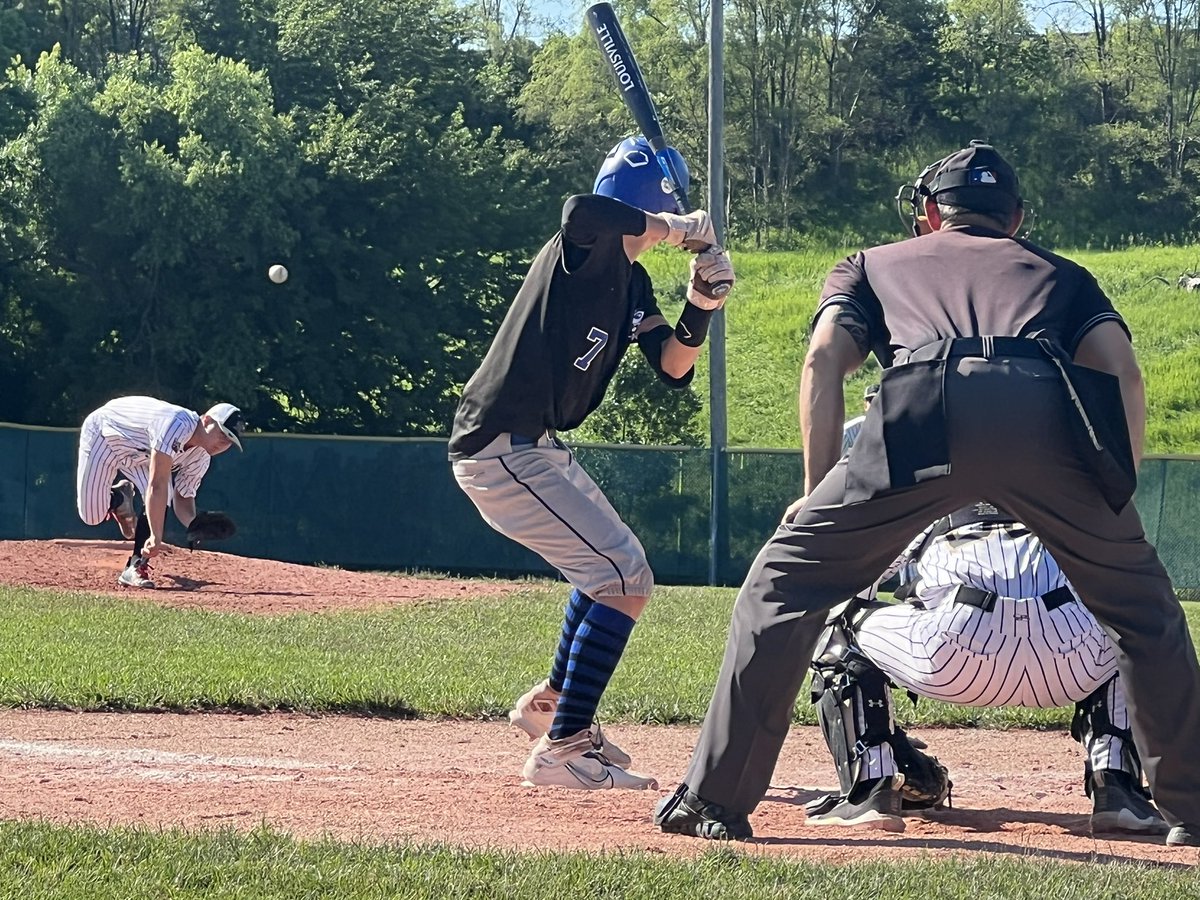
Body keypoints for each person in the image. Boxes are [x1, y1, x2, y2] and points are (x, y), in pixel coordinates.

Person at [654, 140, 1200, 846]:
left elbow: (824, 359)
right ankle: (1189, 809)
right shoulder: (1064, 276)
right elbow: (1122, 371)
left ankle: (715, 801)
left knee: (784, 586)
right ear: (1017, 218)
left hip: (922, 406)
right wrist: (1113, 489)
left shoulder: (869, 264)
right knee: (1143, 610)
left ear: (933, 215)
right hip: (1044, 409)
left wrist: (816, 488)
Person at [449, 135, 735, 791]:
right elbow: (583, 211)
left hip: (530, 444)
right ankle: (563, 749)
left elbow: (673, 365)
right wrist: (679, 227)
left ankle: (552, 705)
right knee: (624, 573)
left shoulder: (630, 281)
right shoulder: (581, 251)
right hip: (502, 444)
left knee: (606, 568)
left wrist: (703, 304)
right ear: (652, 207)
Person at [803, 499, 1166, 835]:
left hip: (956, 653)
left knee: (840, 628)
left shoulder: (931, 497)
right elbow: (1129, 585)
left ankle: (872, 787)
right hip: (1069, 657)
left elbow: (856, 582)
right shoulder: (1064, 493)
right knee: (1126, 632)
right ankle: (1118, 788)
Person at [76, 396, 244, 588]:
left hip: (142, 456)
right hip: (105, 437)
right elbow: (157, 485)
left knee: (163, 499)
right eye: (222, 434)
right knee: (91, 516)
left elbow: (182, 496)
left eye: (229, 440)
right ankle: (118, 499)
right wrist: (156, 536)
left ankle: (136, 565)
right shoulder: (177, 424)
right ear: (206, 420)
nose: (223, 443)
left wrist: (193, 523)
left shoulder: (202, 457)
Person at [840, 383, 879, 457]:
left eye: (880, 401)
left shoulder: (893, 430)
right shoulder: (848, 432)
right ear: (865, 406)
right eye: (872, 401)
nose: (876, 405)